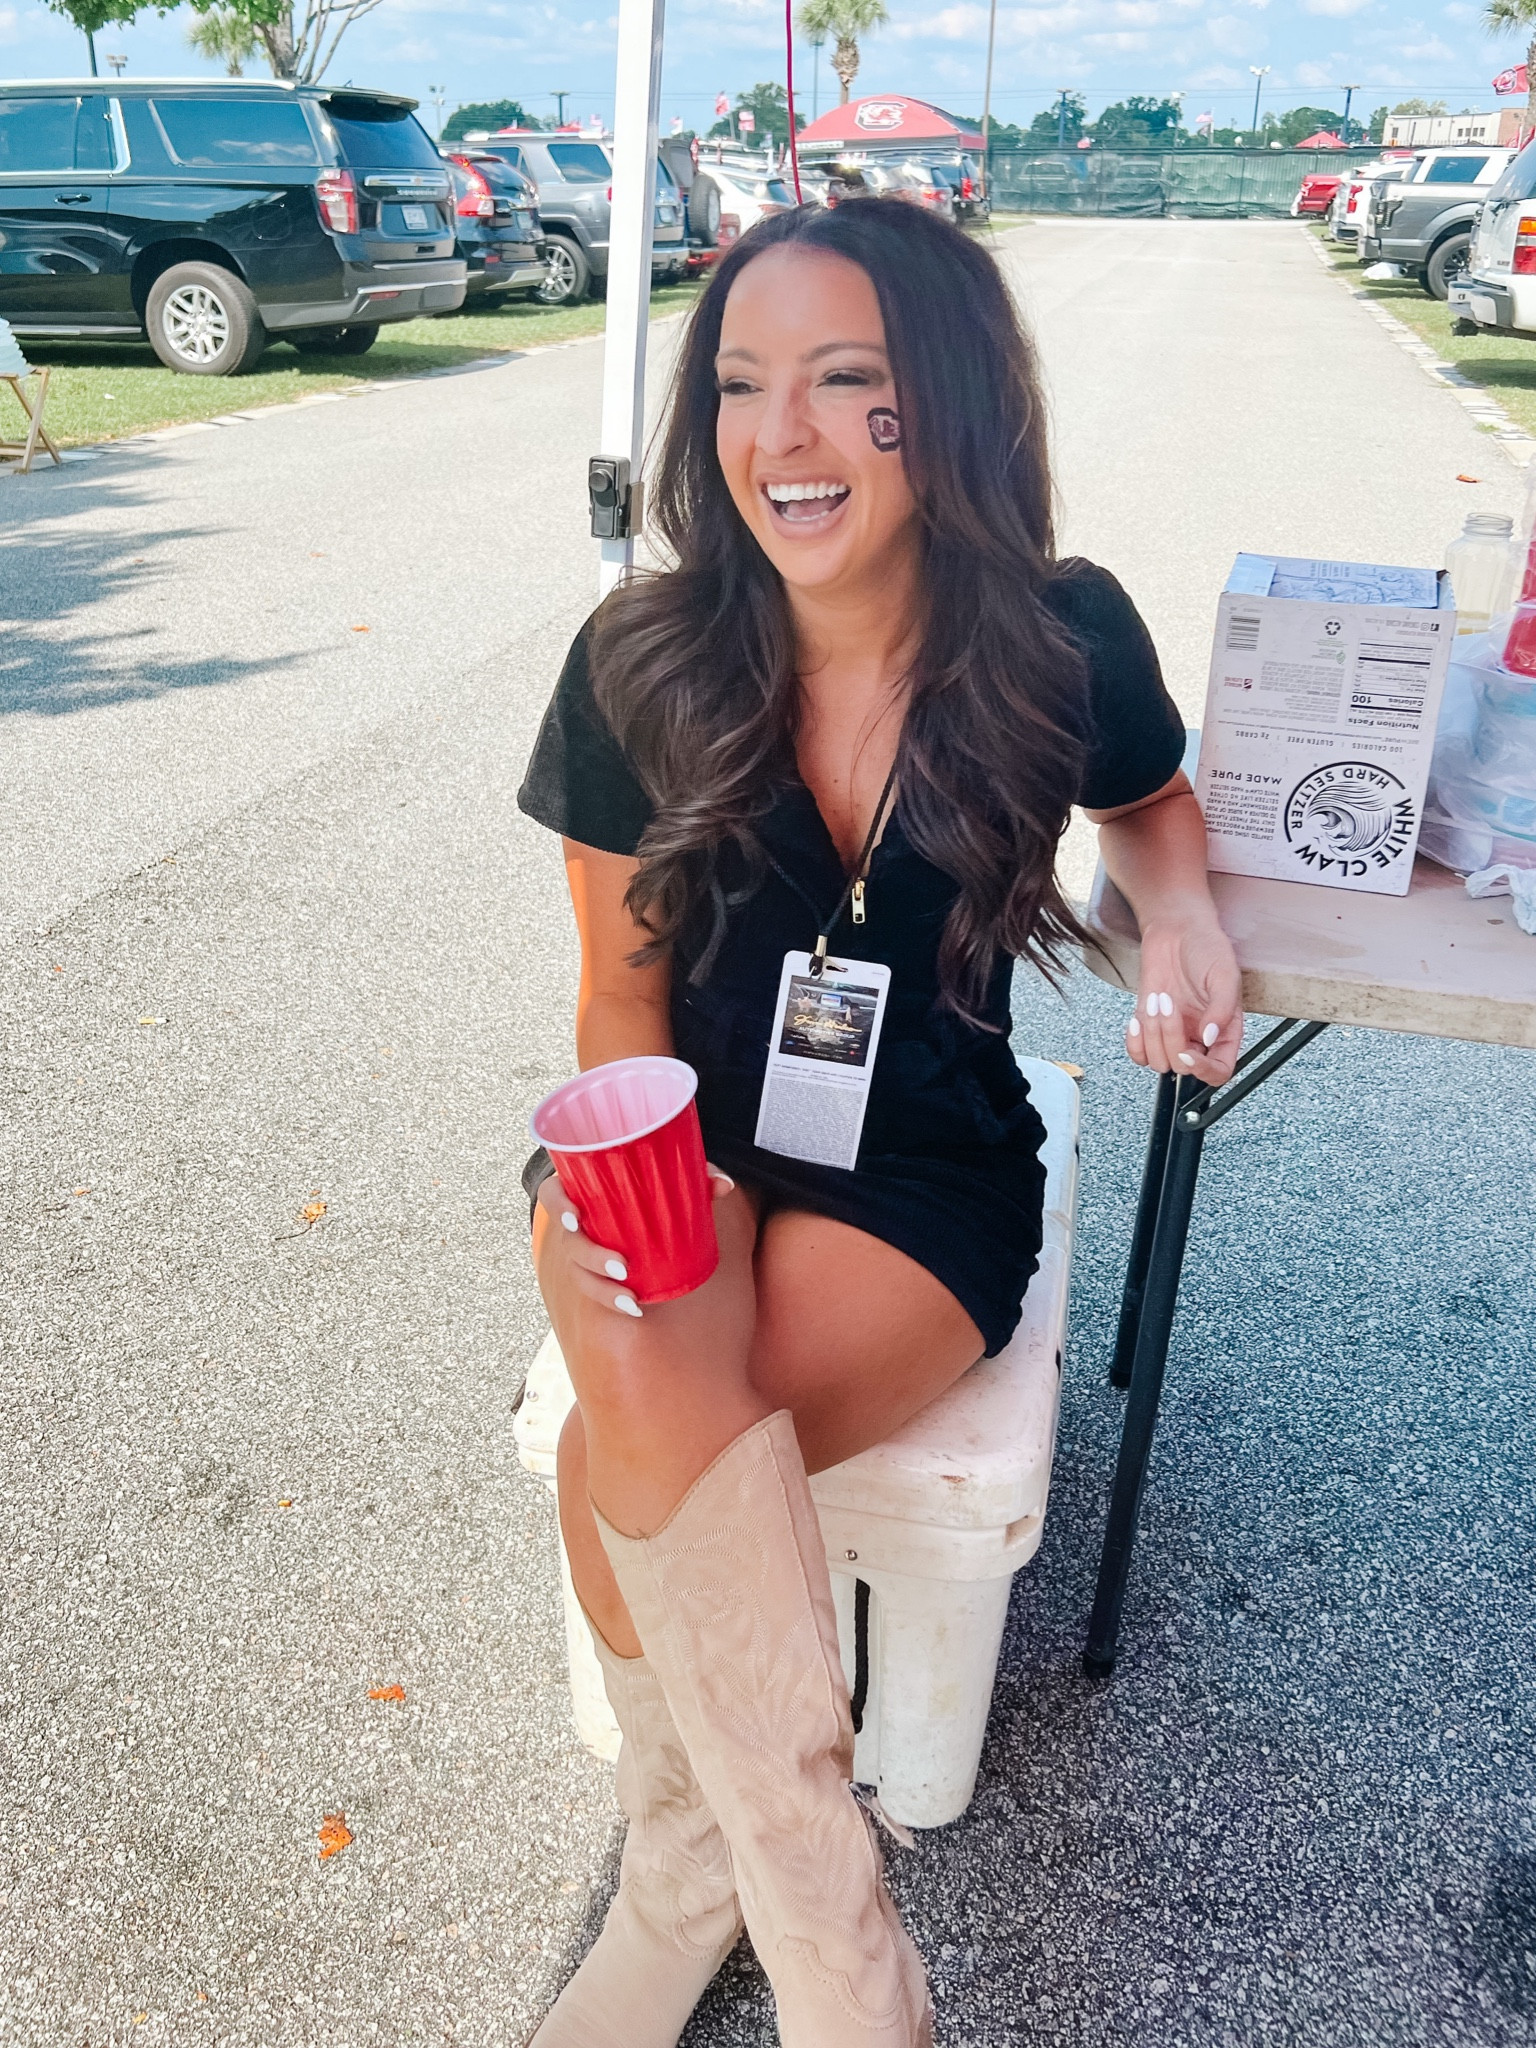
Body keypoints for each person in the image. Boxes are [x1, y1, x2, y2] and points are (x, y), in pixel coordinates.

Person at [516, 198, 1242, 2047]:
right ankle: (834, 1955)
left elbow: (1152, 803)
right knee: (654, 1361)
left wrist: (1186, 907)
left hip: (925, 1156)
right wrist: (660, 1178)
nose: (787, 438)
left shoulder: (1058, 636)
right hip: (667, 1127)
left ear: (953, 406)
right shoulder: (642, 659)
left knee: (637, 1483)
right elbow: (615, 983)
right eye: (746, 385)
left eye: (853, 384)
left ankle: (687, 1881)